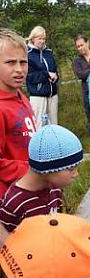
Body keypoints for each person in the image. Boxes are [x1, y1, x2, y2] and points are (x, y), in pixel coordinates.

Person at [0, 122, 83, 232]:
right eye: (71, 168)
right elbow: (6, 245)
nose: (76, 174)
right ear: (48, 168)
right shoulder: (14, 204)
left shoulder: (55, 190)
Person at [0, 29, 37, 199]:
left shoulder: (22, 98)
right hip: (10, 199)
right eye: (10, 62)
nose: (19, 69)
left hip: (32, 191)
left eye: (23, 62)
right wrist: (37, 172)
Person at [72, 35, 90, 158]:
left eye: (82, 45)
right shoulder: (77, 60)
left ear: (87, 43)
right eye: (78, 46)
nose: (80, 48)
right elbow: (80, 74)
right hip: (87, 93)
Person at [26, 26, 59, 126]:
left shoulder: (48, 52)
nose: (42, 41)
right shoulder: (28, 54)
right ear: (33, 38)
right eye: (39, 38)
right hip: (37, 96)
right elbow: (29, 77)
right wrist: (46, 74)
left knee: (53, 125)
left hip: (52, 94)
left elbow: (54, 69)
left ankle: (53, 142)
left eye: (44, 38)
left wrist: (56, 76)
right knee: (39, 125)